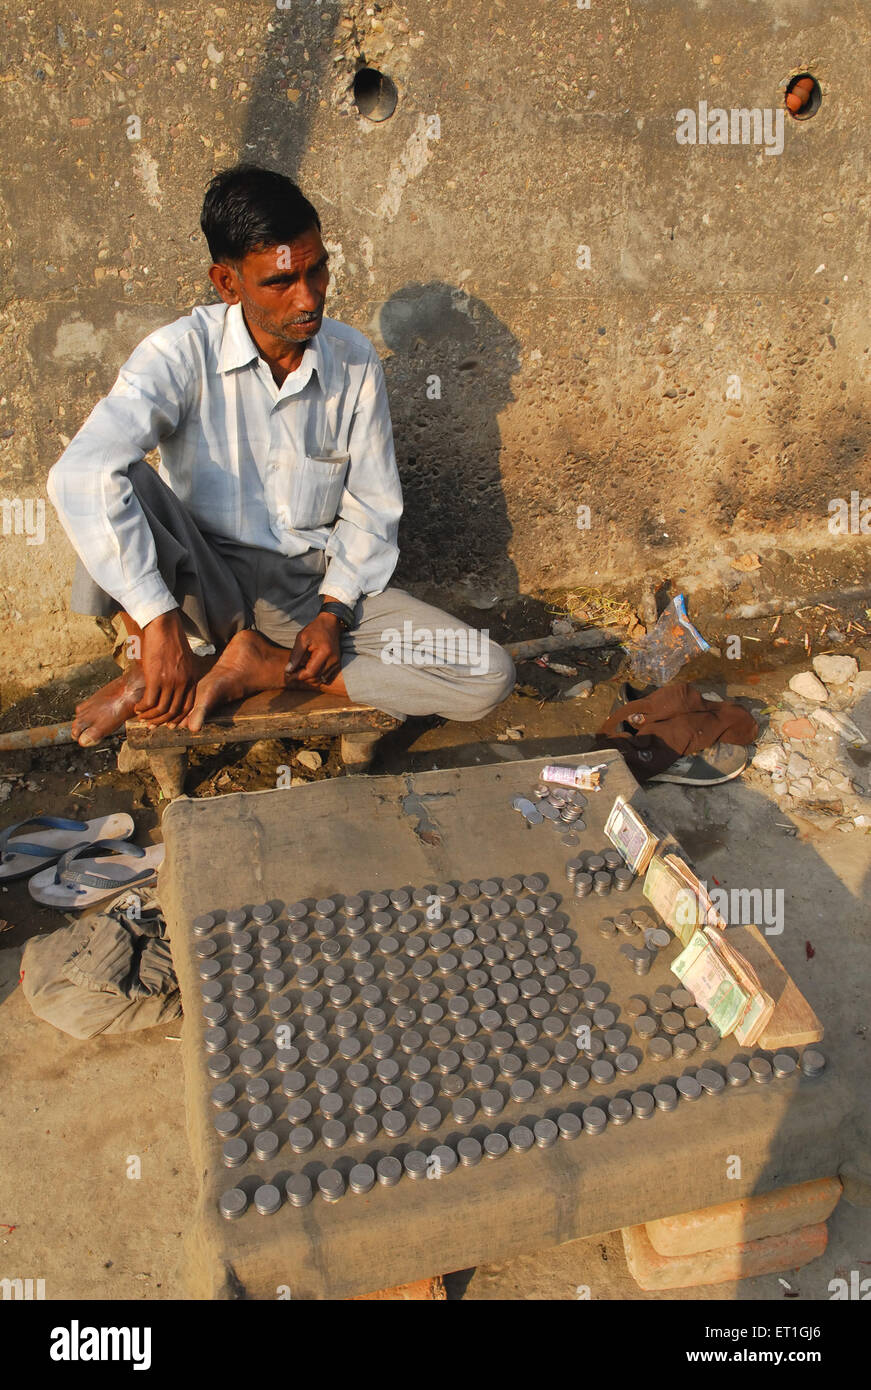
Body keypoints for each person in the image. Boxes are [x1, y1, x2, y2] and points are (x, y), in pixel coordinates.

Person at [47, 164, 515, 746]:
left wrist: (333, 611)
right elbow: (79, 473)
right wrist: (156, 619)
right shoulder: (180, 353)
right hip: (203, 585)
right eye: (280, 282)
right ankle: (156, 656)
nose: (309, 297)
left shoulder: (353, 360)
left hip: (307, 593)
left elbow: (371, 506)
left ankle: (262, 666)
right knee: (107, 478)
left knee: (486, 673)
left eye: (318, 270)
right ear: (227, 283)